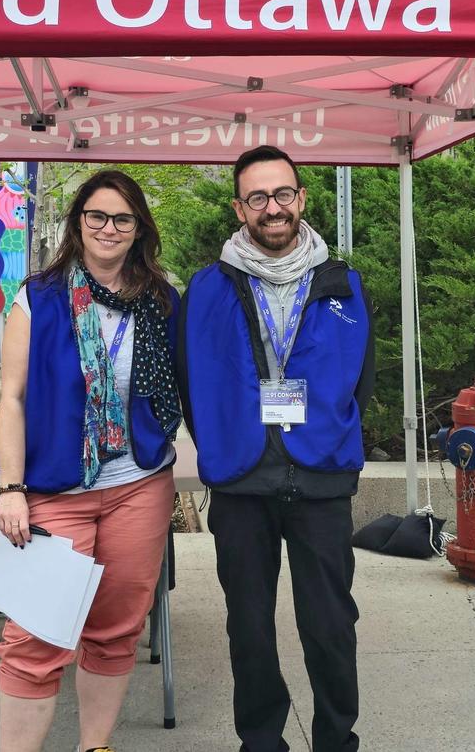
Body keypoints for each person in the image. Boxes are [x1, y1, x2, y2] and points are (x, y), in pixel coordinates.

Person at [178, 145, 375, 752]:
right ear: (240, 209)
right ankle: (261, 742)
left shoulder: (342, 283)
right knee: (250, 630)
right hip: (242, 480)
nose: (273, 207)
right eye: (258, 197)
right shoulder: (206, 288)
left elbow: (362, 379)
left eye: (282, 193)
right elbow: (191, 382)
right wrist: (221, 443)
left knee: (330, 625)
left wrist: (328, 434)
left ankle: (337, 741)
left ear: (302, 199)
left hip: (320, 477)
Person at [0, 169, 183, 752]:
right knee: (34, 638)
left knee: (115, 631)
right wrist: (11, 489)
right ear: (78, 223)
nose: (109, 228)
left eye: (123, 219)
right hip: (56, 491)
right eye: (97, 216)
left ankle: (94, 746)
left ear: (139, 229)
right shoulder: (38, 298)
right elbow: (11, 399)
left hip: (139, 485)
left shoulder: (161, 300)